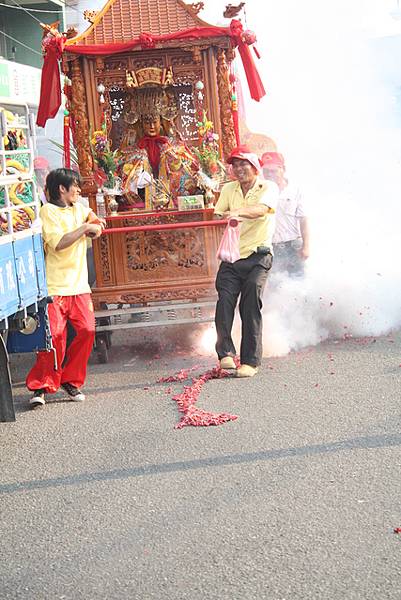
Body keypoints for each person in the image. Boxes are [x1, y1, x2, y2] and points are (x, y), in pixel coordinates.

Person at [27, 168, 105, 408]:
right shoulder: (48, 211)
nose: (79, 190)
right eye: (75, 186)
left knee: (87, 331)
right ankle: (41, 384)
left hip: (79, 285)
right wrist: (84, 229)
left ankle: (70, 380)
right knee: (54, 336)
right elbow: (60, 243)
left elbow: (97, 223)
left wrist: (93, 226)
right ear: (62, 188)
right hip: (55, 286)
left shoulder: (80, 209)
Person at [214, 146, 279, 378]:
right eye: (235, 164)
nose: (239, 168)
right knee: (224, 301)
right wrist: (227, 215)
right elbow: (219, 212)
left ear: (254, 166)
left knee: (250, 301)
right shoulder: (229, 188)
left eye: (244, 164)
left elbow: (262, 210)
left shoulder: (268, 187)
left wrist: (238, 213)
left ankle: (250, 361)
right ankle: (226, 353)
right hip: (232, 257)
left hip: (258, 256)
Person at [261, 152, 310, 277]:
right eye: (266, 171)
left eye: (273, 171)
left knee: (298, 284)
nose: (269, 175)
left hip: (293, 246)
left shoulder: (295, 190)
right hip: (271, 247)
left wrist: (306, 246)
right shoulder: (260, 190)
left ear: (283, 169)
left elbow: (303, 219)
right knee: (275, 284)